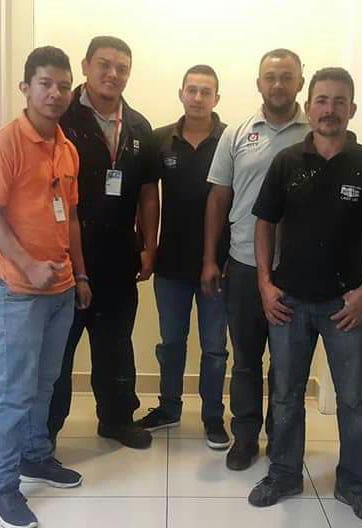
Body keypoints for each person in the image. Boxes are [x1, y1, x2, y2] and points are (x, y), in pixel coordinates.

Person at [249, 67, 362, 523]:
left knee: (353, 401)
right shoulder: (287, 162)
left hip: (346, 307)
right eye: (321, 100)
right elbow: (264, 222)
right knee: (285, 395)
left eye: (339, 101)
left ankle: (354, 484)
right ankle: (284, 474)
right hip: (289, 303)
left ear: (352, 109)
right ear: (309, 106)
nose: (329, 109)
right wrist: (265, 284)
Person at [0, 46, 91, 528]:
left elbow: (71, 218)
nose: (55, 93)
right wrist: (27, 264)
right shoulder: (3, 145)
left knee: (46, 384)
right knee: (12, 392)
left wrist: (80, 275)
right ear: (26, 88)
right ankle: (2, 487)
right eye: (45, 84)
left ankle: (35, 455)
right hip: (19, 294)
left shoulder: (67, 148)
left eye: (63, 86)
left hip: (61, 291)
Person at [47, 36, 159, 450]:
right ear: (85, 66)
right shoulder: (61, 118)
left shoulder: (139, 127)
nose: (113, 74)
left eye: (122, 68)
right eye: (104, 64)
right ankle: (45, 432)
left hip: (118, 254)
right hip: (66, 254)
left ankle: (116, 419)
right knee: (59, 349)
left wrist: (149, 246)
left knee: (115, 343)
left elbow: (148, 192)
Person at [202, 49, 309, 470]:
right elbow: (219, 197)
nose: (278, 84)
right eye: (270, 77)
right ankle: (244, 438)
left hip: (297, 270)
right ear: (259, 83)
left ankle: (280, 440)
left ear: (300, 82)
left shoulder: (314, 133)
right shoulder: (237, 134)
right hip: (244, 264)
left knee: (286, 366)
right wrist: (210, 259)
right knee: (245, 360)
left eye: (287, 77)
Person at [135, 65, 230, 449]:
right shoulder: (161, 140)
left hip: (218, 264)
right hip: (171, 262)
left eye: (206, 91)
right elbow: (148, 197)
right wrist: (148, 247)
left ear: (216, 98)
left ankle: (213, 417)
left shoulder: (230, 140)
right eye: (192, 90)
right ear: (181, 93)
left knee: (214, 348)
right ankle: (169, 408)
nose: (198, 97)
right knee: (171, 342)